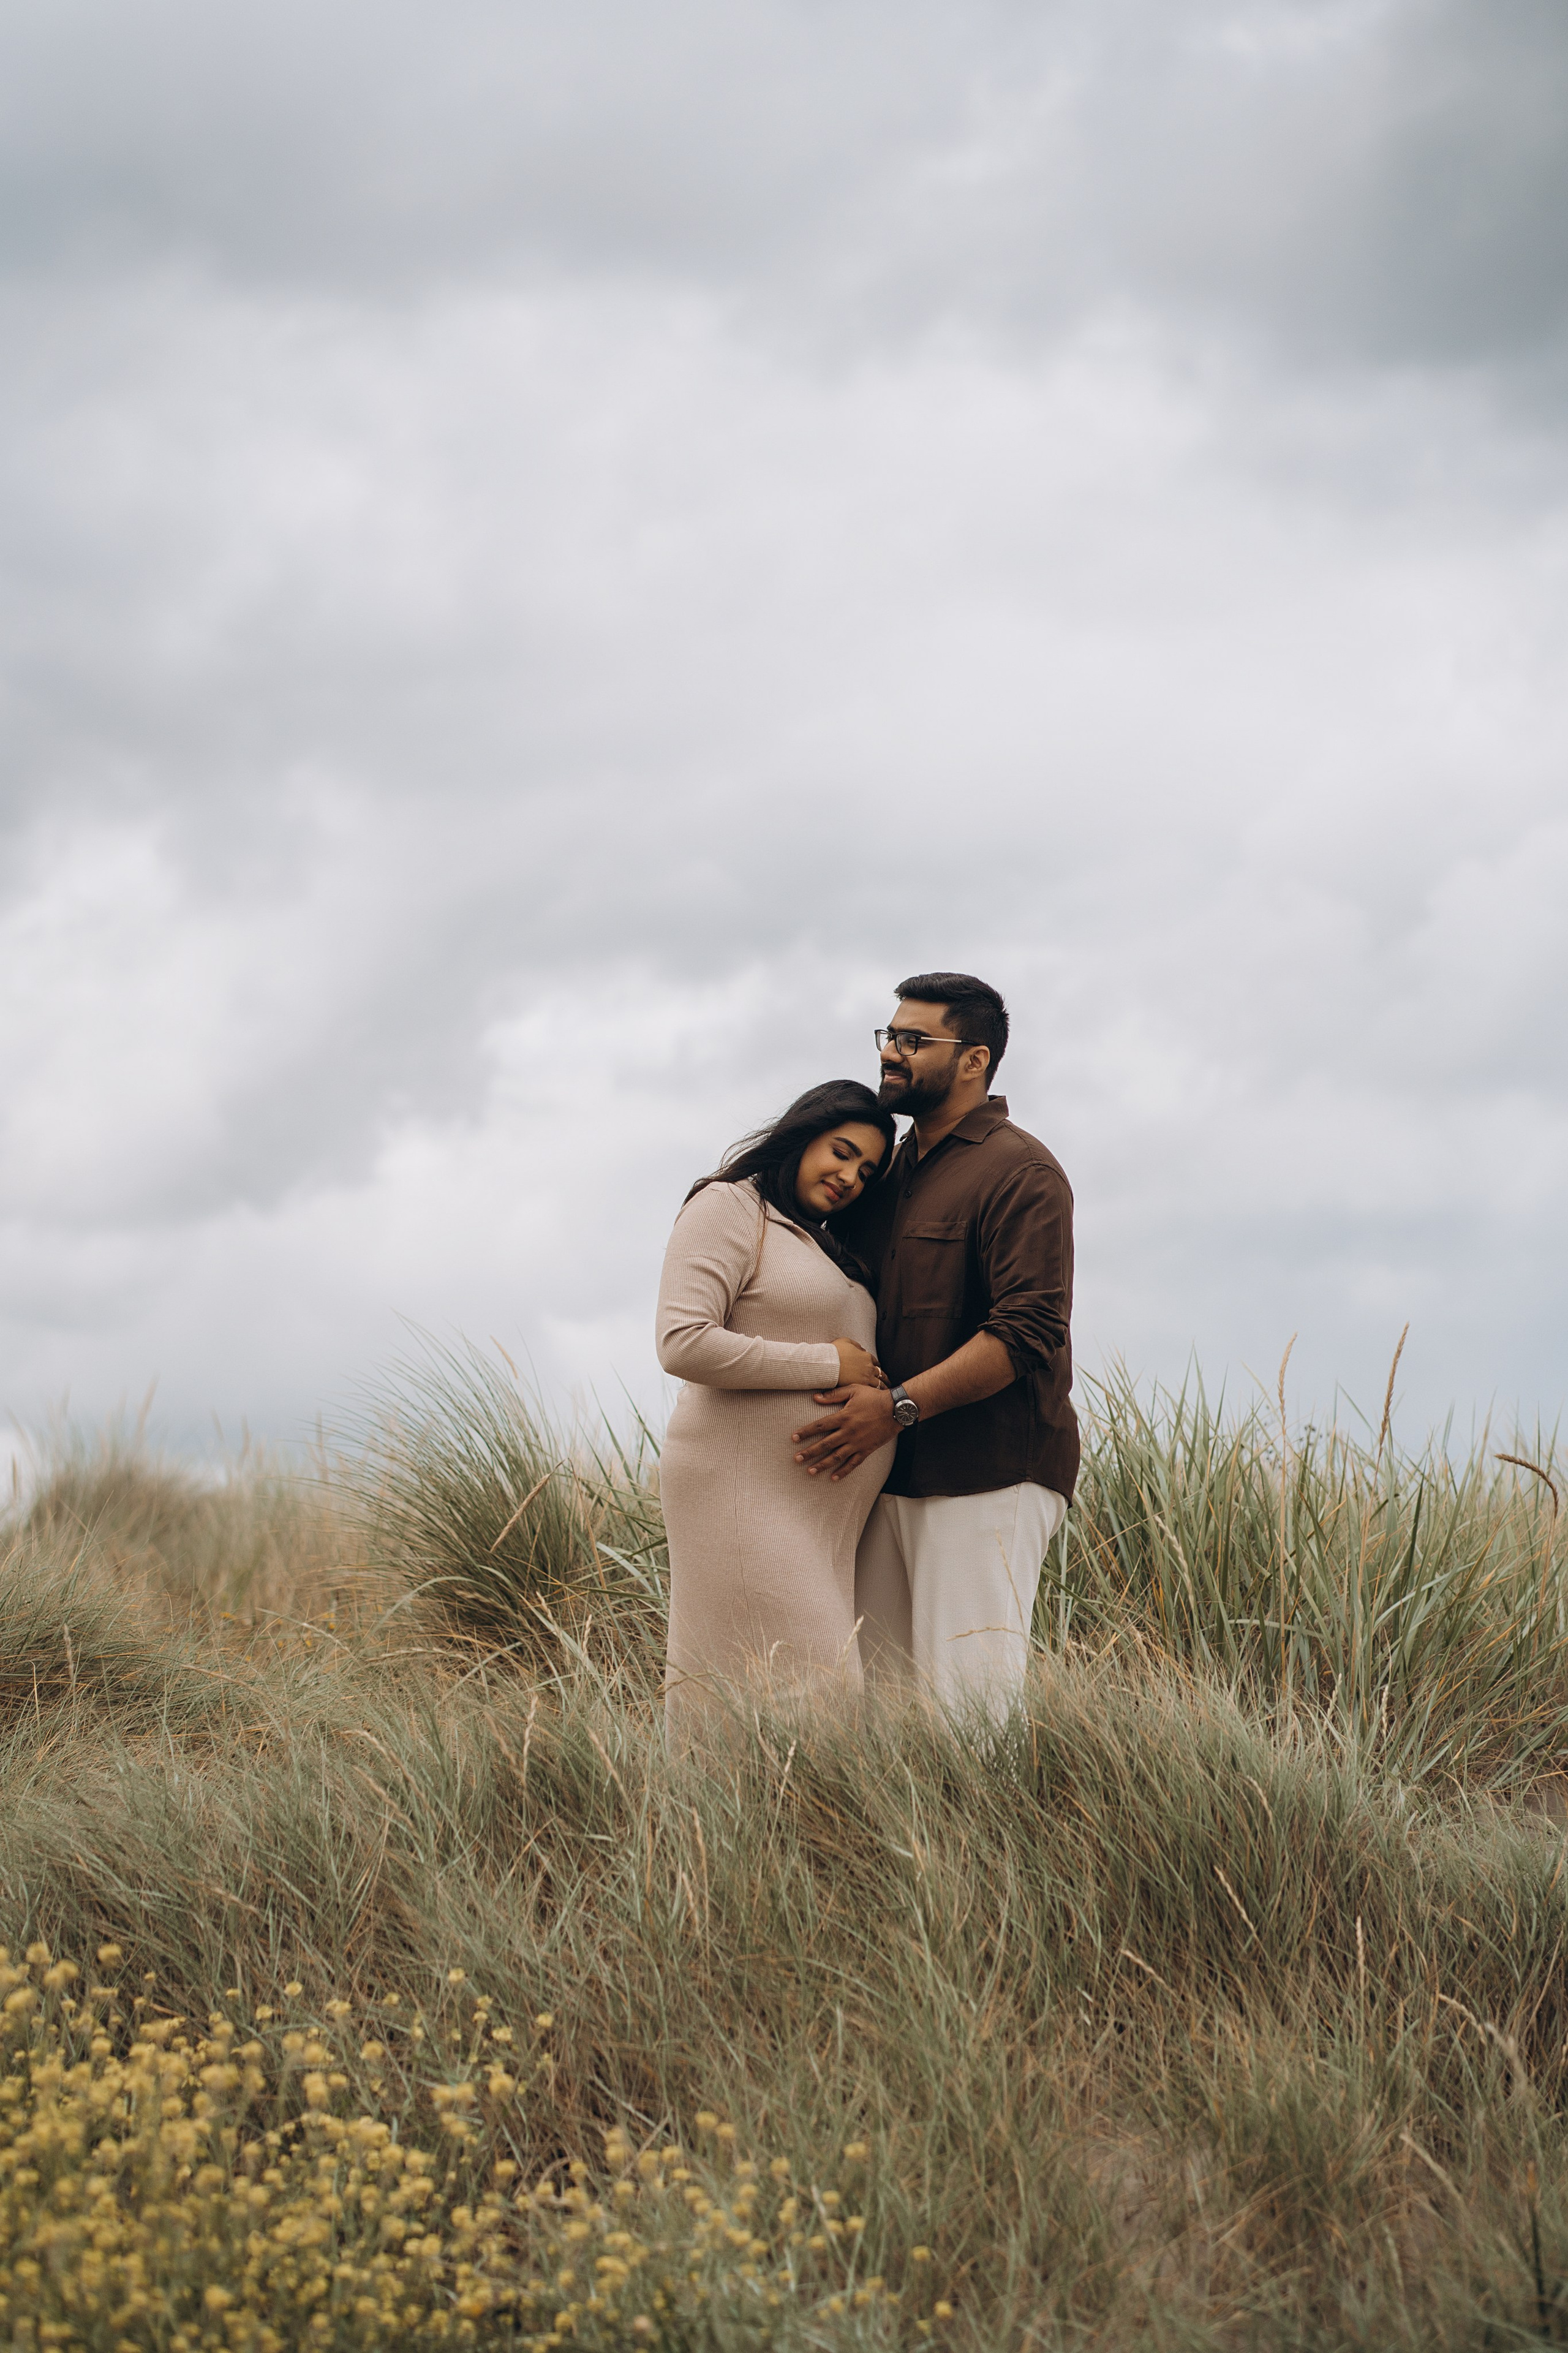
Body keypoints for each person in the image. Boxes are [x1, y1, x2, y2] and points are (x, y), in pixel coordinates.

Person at [791, 974, 1077, 1711]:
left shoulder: (1022, 1171)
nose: (892, 1052)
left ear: (975, 1060)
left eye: (914, 1041)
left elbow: (1028, 1331)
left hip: (987, 1473)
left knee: (971, 1715)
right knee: (884, 1724)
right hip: (881, 1475)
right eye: (888, 1036)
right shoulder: (880, 1175)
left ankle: (992, 1834)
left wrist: (897, 1407)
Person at [655, 1080, 897, 1732]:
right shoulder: (730, 1207)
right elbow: (683, 1342)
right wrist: (830, 1363)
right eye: (840, 1152)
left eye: (866, 1170)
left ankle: (725, 1833)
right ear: (801, 1134)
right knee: (818, 1693)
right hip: (740, 1495)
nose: (849, 1176)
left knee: (770, 1700)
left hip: (819, 1520)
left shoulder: (821, 1242)